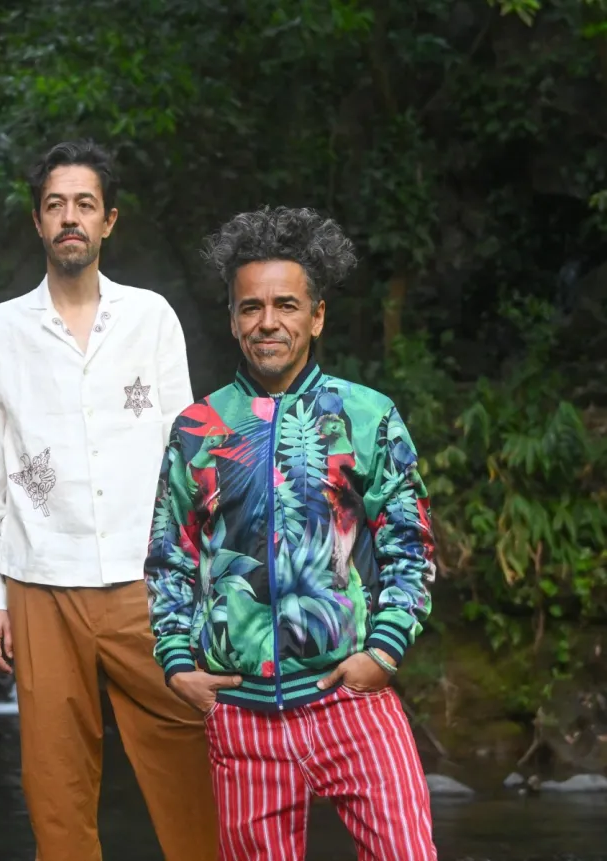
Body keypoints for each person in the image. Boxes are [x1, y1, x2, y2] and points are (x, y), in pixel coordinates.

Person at [147, 205, 438, 860]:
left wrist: (384, 651)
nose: (267, 321)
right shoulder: (198, 428)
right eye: (250, 307)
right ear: (232, 319)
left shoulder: (366, 415)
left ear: (317, 315)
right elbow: (170, 557)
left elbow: (411, 544)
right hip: (241, 715)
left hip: (351, 699)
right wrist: (178, 663)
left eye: (286, 304)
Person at [0, 140, 219, 861]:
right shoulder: (0, 329)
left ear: (109, 220)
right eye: (55, 205)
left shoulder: (151, 317)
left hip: (147, 579)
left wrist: (201, 577)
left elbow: (186, 453)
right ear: (37, 221)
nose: (69, 217)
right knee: (56, 784)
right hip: (39, 580)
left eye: (84, 204)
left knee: (190, 756)